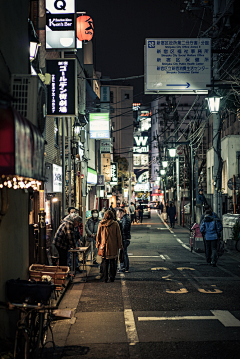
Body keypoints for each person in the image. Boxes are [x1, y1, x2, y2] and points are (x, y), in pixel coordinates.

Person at [96, 210, 122, 282]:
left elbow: (98, 235)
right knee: (113, 262)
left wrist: (98, 244)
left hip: (104, 246)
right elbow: (118, 236)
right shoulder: (115, 224)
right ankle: (112, 277)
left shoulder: (101, 223)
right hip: (113, 246)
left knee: (104, 262)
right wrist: (120, 245)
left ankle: (105, 278)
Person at [118, 208, 131, 272]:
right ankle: (123, 267)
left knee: (124, 253)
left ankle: (126, 268)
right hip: (125, 238)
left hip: (125, 238)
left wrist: (119, 224)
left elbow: (124, 228)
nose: (118, 215)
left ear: (121, 213)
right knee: (123, 253)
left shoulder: (125, 219)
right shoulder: (125, 218)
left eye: (118, 214)